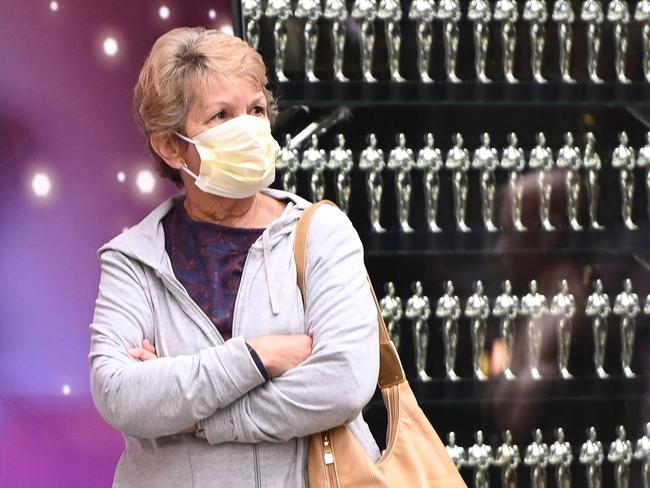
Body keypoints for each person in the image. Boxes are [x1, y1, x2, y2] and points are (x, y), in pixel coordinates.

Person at [88, 27, 381, 487]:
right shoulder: (133, 259)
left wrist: (201, 418)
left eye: (257, 110)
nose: (248, 128)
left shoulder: (322, 232)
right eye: (222, 116)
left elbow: (343, 382)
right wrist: (258, 357)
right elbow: (120, 395)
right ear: (171, 145)